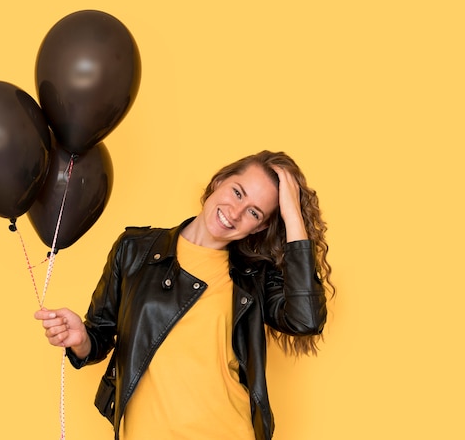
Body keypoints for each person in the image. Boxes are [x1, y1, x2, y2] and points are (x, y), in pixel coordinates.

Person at [35, 151, 334, 440]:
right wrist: (81, 340)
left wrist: (292, 216)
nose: (235, 212)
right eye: (237, 192)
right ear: (219, 181)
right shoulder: (134, 250)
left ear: (263, 225)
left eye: (254, 212)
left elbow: (305, 319)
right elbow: (100, 335)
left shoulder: (254, 277)